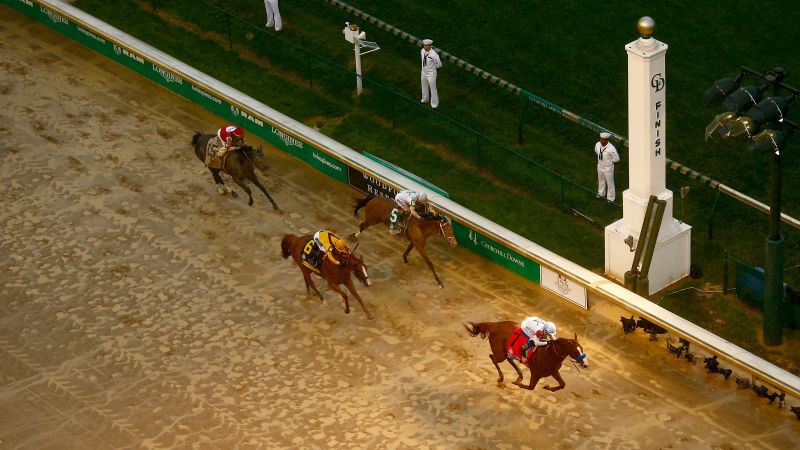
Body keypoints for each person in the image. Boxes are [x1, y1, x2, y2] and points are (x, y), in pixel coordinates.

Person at [595, 131, 620, 202]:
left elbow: (616, 159)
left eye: (603, 139)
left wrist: (610, 163)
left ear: (607, 140)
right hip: (600, 165)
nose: (601, 140)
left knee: (610, 183)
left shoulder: (611, 148)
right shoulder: (597, 144)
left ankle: (611, 198)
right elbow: (596, 151)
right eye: (601, 138)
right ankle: (601, 193)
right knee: (601, 180)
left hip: (608, 168)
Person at [419, 39, 442, 109]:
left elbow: (439, 65)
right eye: (424, 45)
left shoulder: (434, 55)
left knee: (433, 88)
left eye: (426, 46)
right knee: (424, 86)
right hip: (423, 72)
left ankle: (434, 104)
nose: (425, 47)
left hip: (431, 74)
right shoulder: (422, 51)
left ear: (430, 46)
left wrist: (432, 68)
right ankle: (425, 99)